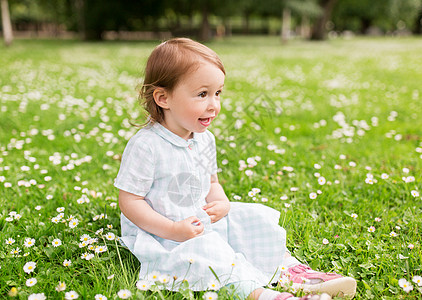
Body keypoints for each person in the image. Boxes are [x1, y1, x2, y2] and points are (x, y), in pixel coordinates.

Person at [114, 38, 356, 300]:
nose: (213, 105)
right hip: (165, 232)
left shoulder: (204, 138)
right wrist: (172, 230)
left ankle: (290, 272)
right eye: (202, 94)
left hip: (199, 219)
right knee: (209, 254)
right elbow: (130, 200)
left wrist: (221, 204)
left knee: (250, 220)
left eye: (217, 93)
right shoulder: (147, 146)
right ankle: (264, 295)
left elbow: (212, 183)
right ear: (163, 98)